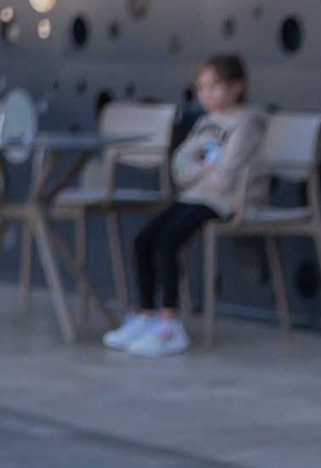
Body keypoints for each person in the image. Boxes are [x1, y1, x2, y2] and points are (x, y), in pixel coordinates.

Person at [105, 55, 266, 358]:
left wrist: (199, 173)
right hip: (195, 195)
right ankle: (146, 314)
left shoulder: (247, 124)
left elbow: (227, 176)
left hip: (226, 201)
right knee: (144, 239)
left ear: (237, 87)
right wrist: (201, 172)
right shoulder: (205, 124)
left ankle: (169, 323)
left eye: (215, 87)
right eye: (202, 88)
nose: (207, 95)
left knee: (169, 241)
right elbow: (179, 166)